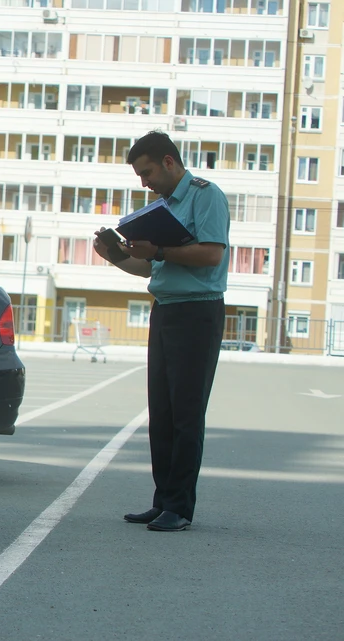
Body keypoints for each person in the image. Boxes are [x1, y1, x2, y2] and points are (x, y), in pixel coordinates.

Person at [93, 130, 229, 532]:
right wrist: (116, 256)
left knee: (186, 414)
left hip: (198, 312)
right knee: (163, 414)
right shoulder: (162, 207)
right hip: (166, 310)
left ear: (169, 162)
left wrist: (159, 251)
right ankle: (163, 500)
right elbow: (153, 268)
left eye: (147, 172)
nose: (144, 182)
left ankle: (180, 507)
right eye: (140, 175)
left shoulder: (206, 196)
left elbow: (210, 254)